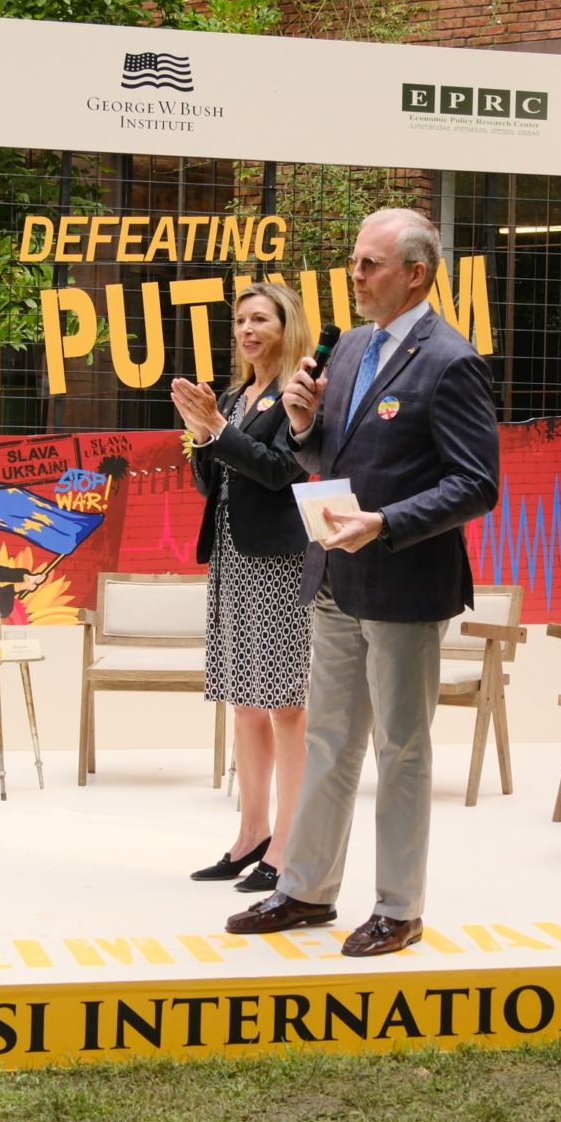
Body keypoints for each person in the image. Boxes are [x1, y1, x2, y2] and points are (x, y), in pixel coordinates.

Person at [226, 208, 500, 956]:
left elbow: (478, 485)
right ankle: (306, 890)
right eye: (353, 260)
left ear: (416, 272)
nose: (354, 274)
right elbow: (325, 460)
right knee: (327, 739)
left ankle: (398, 907)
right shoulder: (347, 352)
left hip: (407, 582)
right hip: (334, 574)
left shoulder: (452, 360)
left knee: (402, 749)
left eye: (370, 263)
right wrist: (308, 425)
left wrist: (386, 522)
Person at [172, 282, 314, 894]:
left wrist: (219, 430)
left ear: (287, 326)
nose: (248, 329)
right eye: (240, 320)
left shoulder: (298, 393)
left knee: (285, 701)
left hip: (281, 559)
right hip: (233, 555)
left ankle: (288, 844)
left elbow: (285, 471)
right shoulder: (233, 394)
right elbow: (214, 482)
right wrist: (205, 432)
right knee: (245, 698)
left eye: (261, 318)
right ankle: (250, 834)